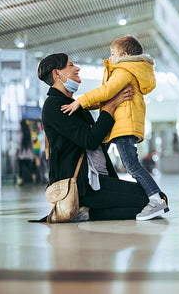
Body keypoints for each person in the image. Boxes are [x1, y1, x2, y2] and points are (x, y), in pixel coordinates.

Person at [60, 35, 169, 221]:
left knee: (131, 164)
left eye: (112, 54)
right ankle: (154, 197)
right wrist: (85, 104)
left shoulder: (124, 70)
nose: (110, 58)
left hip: (124, 126)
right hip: (124, 125)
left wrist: (80, 101)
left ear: (124, 55)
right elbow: (105, 99)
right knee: (121, 162)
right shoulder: (127, 71)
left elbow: (106, 91)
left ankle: (156, 199)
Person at [37, 52, 155, 221]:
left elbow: (98, 142)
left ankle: (87, 212)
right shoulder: (55, 106)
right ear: (57, 74)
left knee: (151, 196)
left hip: (98, 179)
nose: (77, 68)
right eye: (71, 65)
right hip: (82, 184)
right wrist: (111, 105)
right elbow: (90, 141)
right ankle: (86, 213)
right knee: (147, 199)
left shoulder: (75, 105)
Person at [16, 119, 37, 185]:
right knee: (30, 167)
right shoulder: (29, 132)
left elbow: (18, 144)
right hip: (28, 154)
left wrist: (16, 152)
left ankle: (21, 181)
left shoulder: (20, 132)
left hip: (21, 154)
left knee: (21, 168)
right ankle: (34, 179)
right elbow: (31, 144)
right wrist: (33, 154)